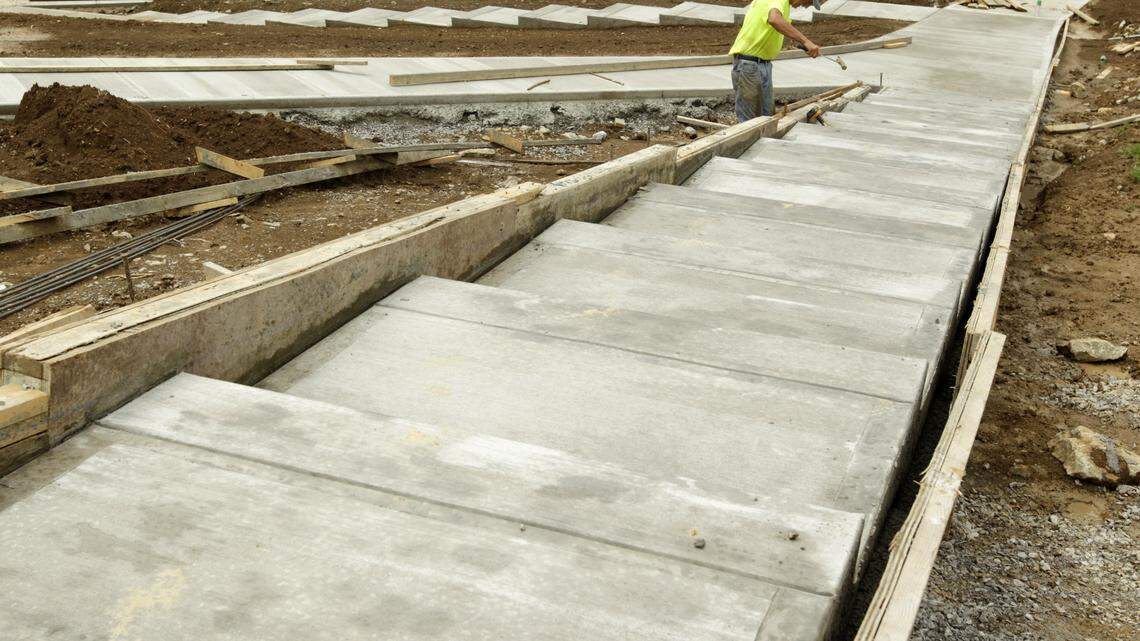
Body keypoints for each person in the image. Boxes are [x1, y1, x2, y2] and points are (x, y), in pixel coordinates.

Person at [729, 0, 823, 122]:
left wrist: (801, 43)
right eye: (809, 1)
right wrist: (805, 41)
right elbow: (774, 19)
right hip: (749, 64)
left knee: (767, 117)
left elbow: (775, 28)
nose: (806, 6)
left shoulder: (783, 5)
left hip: (762, 64)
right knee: (749, 122)